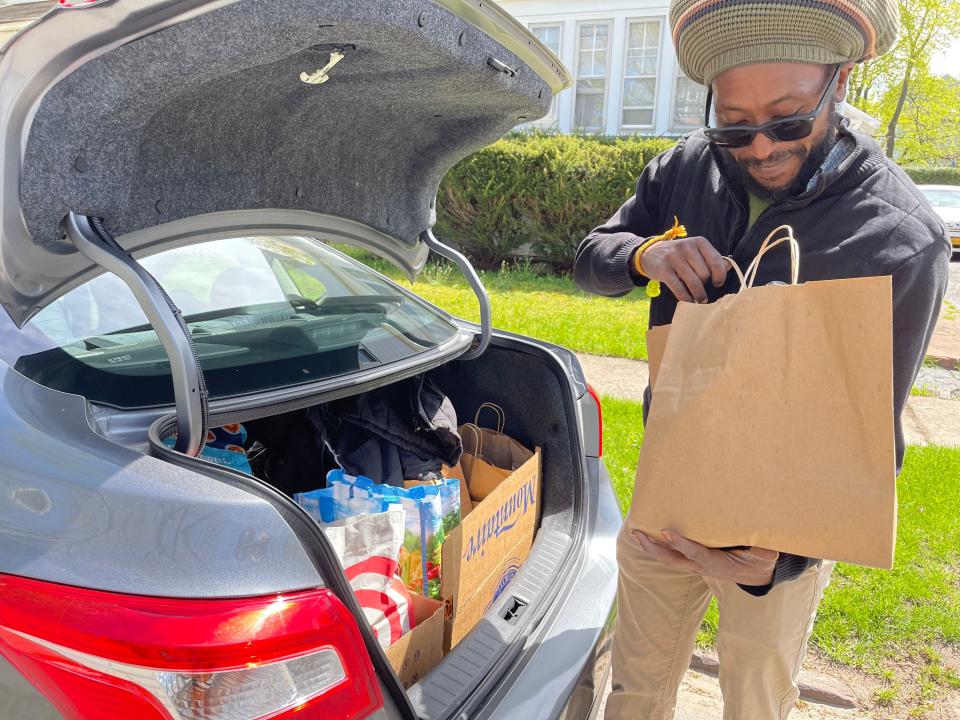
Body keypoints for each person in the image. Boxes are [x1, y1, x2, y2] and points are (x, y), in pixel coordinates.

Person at [572, 1, 952, 718]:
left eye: (787, 120)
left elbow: (867, 434)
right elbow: (593, 259)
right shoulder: (687, 167)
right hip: (671, 489)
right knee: (636, 682)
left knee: (756, 696)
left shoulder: (900, 237)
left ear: (840, 86)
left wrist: (791, 554)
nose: (760, 147)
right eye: (734, 124)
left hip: (776, 536)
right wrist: (646, 253)